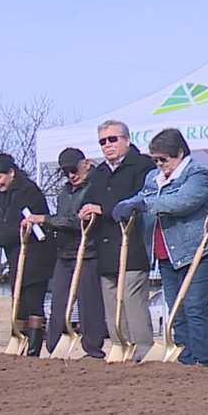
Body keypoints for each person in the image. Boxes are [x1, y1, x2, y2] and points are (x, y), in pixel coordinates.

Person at [115, 129, 208, 366]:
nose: (160, 164)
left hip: (197, 251)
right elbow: (140, 195)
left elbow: (182, 202)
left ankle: (201, 360)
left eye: (164, 159)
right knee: (176, 309)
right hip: (166, 254)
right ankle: (184, 357)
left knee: (194, 307)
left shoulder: (198, 175)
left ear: (180, 153)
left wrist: (144, 204)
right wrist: (125, 204)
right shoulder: (153, 178)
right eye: (155, 160)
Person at [78, 120, 156, 361]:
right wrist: (85, 211)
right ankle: (120, 346)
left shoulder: (143, 166)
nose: (107, 145)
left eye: (113, 139)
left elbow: (141, 200)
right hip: (105, 245)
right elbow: (88, 199)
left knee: (133, 301)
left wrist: (103, 208)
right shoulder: (99, 173)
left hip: (132, 242)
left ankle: (144, 351)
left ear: (126, 140)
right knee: (111, 303)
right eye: (103, 141)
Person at [23, 147, 107, 358]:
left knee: (90, 305)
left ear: (86, 164)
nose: (72, 175)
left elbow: (80, 221)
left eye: (74, 169)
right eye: (66, 172)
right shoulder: (64, 193)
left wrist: (45, 219)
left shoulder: (97, 187)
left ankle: (93, 350)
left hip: (88, 252)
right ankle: (54, 347)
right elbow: (63, 220)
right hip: (65, 253)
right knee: (58, 302)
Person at [0, 154, 56, 356]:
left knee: (32, 302)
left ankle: (33, 348)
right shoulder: (4, 198)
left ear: (11, 173)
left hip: (35, 255)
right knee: (19, 302)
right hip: (16, 257)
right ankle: (19, 340)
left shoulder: (29, 192)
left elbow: (24, 227)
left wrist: (1, 237)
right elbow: (2, 223)